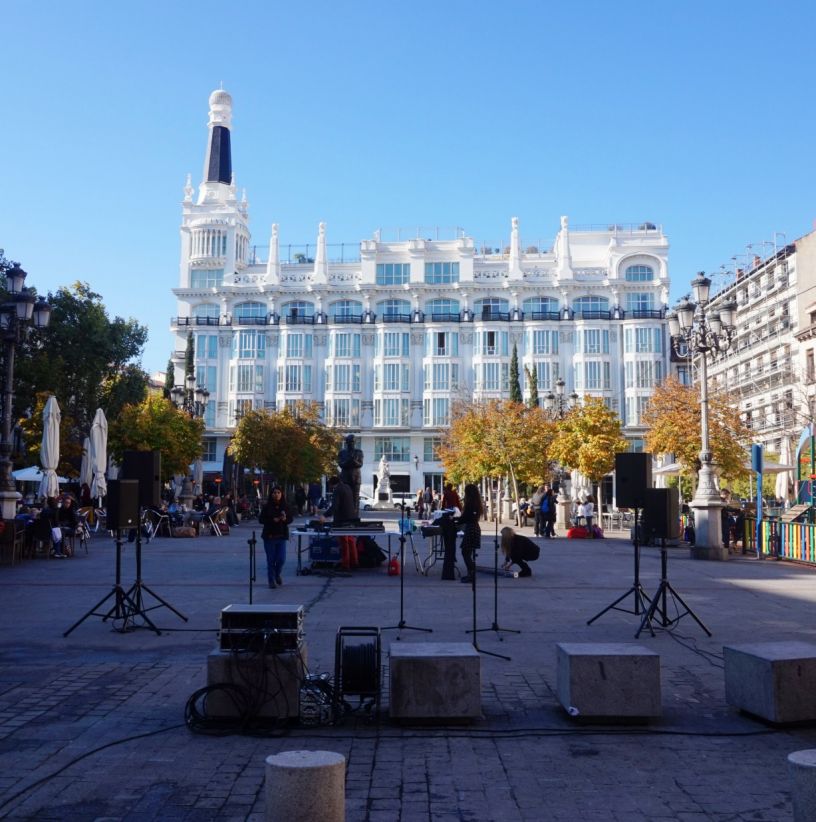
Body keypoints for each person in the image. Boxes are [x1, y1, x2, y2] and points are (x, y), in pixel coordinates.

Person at [258, 487, 292, 588]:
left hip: (281, 537)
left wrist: (285, 519)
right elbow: (261, 520)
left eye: (278, 492)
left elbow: (290, 519)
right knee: (271, 560)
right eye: (274, 493)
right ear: (271, 494)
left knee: (281, 559)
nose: (276, 494)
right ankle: (271, 580)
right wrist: (272, 520)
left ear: (281, 494)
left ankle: (277, 574)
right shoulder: (267, 506)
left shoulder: (285, 506)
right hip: (270, 537)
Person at [323, 475, 359, 569]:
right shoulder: (347, 487)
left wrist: (324, 516)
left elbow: (335, 507)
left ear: (332, 484)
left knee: (344, 542)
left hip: (342, 520)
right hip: (351, 518)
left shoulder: (337, 490)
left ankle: (345, 564)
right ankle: (354, 562)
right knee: (351, 540)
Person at [455, 483, 482, 583]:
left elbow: (465, 518)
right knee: (468, 553)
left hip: (471, 529)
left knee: (465, 552)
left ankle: (471, 574)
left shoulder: (470, 504)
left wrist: (454, 519)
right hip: (474, 528)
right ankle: (470, 573)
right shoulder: (476, 503)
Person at [337, 434, 364, 515]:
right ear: (346, 442)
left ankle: (355, 514)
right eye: (349, 441)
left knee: (355, 497)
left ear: (355, 442)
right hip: (345, 478)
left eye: (353, 442)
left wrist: (353, 461)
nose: (351, 443)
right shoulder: (342, 452)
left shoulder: (359, 452)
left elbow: (360, 464)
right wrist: (349, 461)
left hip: (356, 478)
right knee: (344, 496)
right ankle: (344, 514)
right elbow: (341, 464)